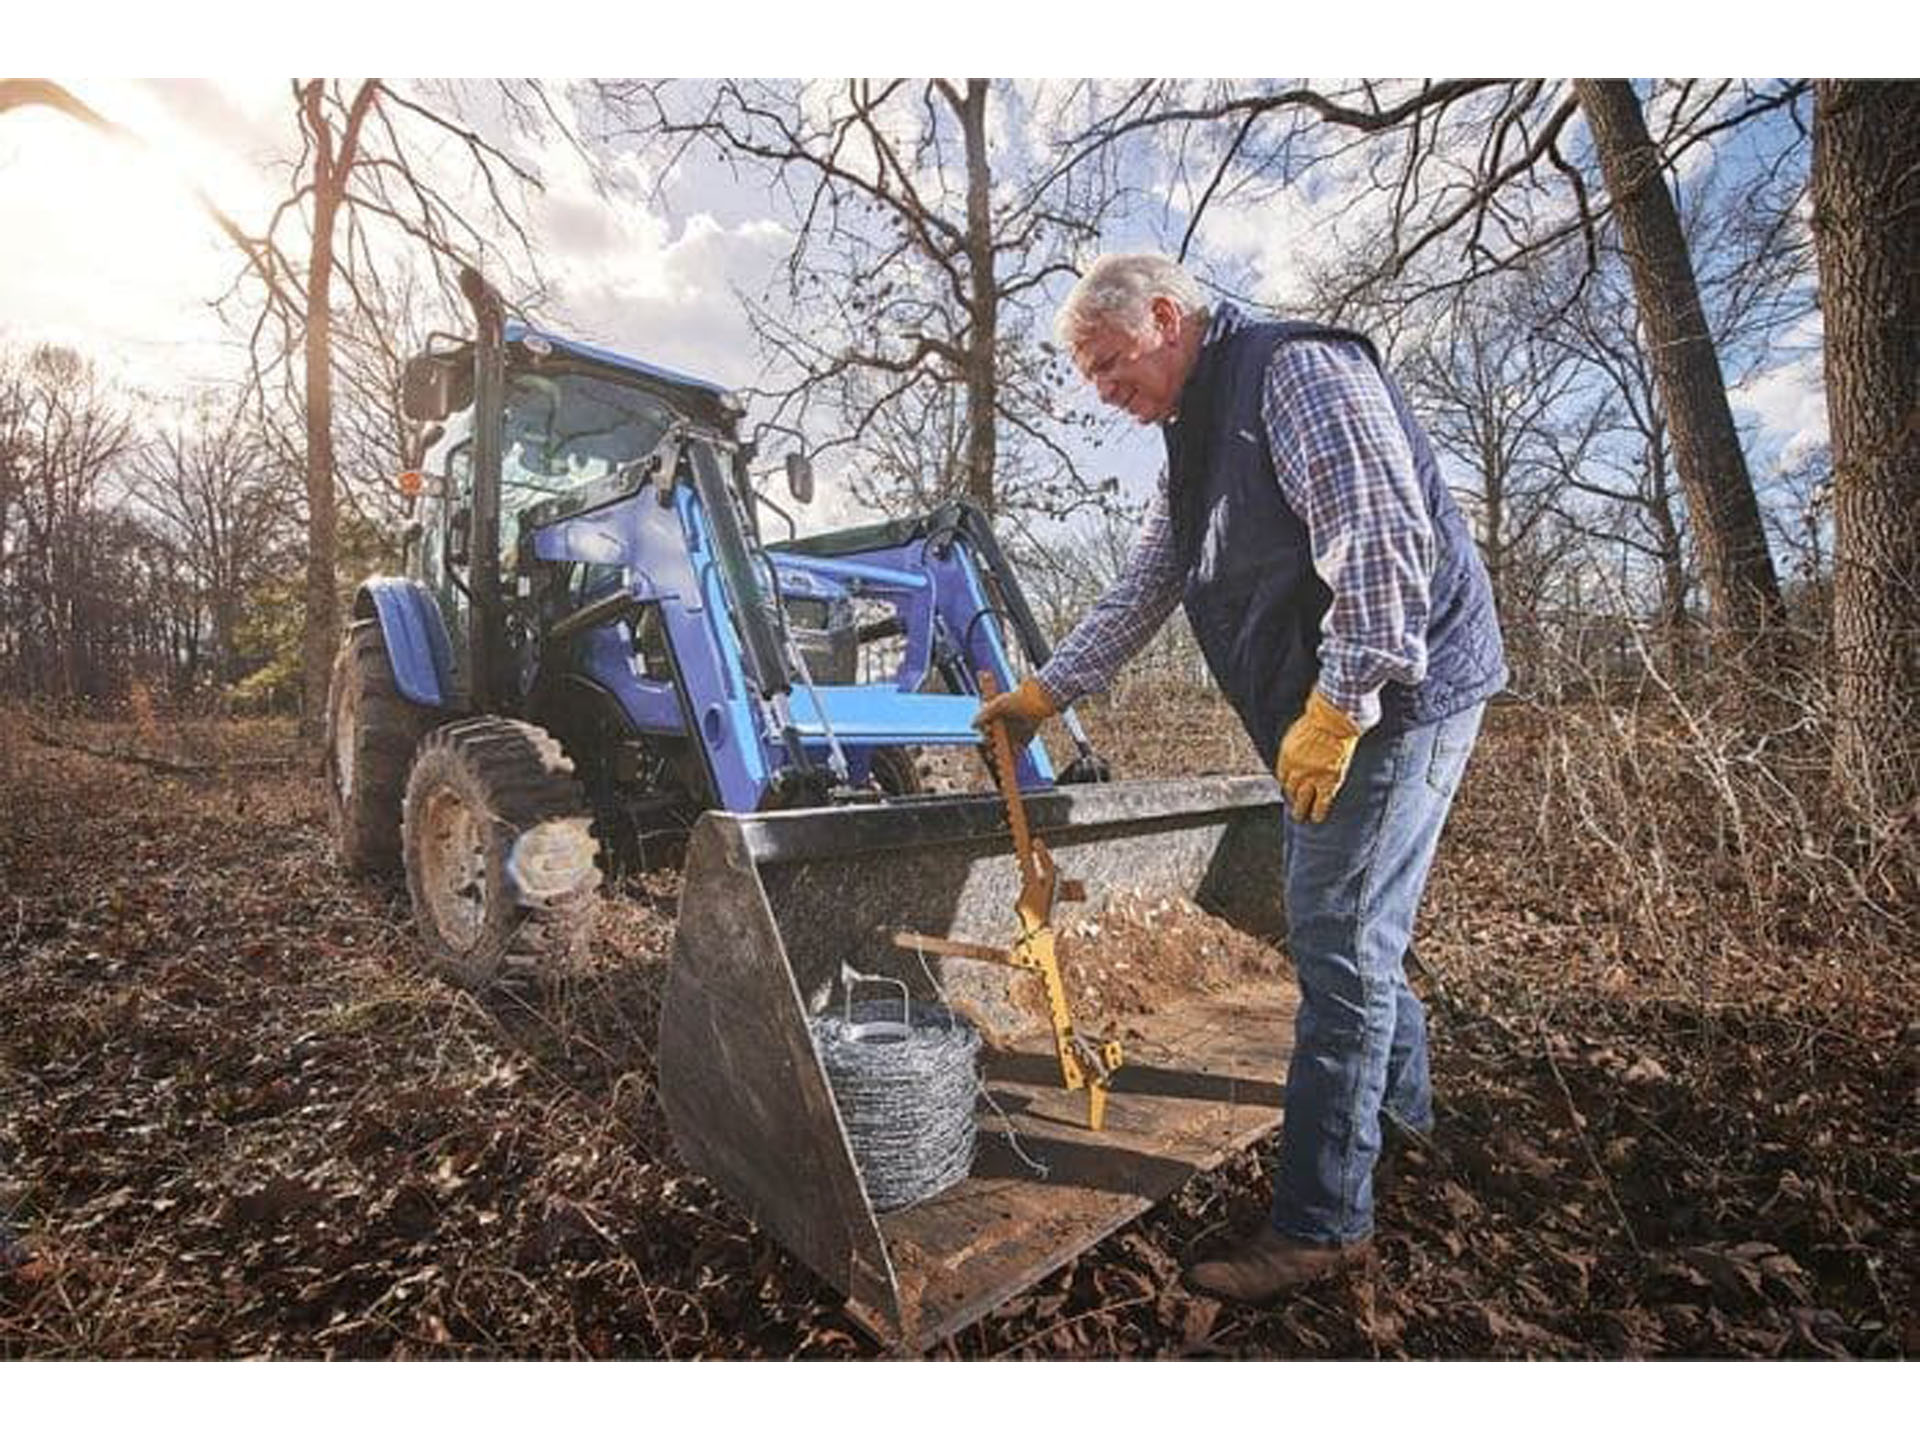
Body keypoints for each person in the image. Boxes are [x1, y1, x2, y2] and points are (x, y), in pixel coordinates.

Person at [973, 253, 1507, 1303]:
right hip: (1339, 704)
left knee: (1339, 943)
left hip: (1401, 690)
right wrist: (1049, 689)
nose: (1102, 390)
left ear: (1168, 317)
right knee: (1356, 929)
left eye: (1110, 363)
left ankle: (1322, 1226)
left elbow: (1384, 540)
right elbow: (1148, 582)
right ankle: (1401, 1123)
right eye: (1089, 375)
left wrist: (1344, 705)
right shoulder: (1196, 437)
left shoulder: (1290, 374)